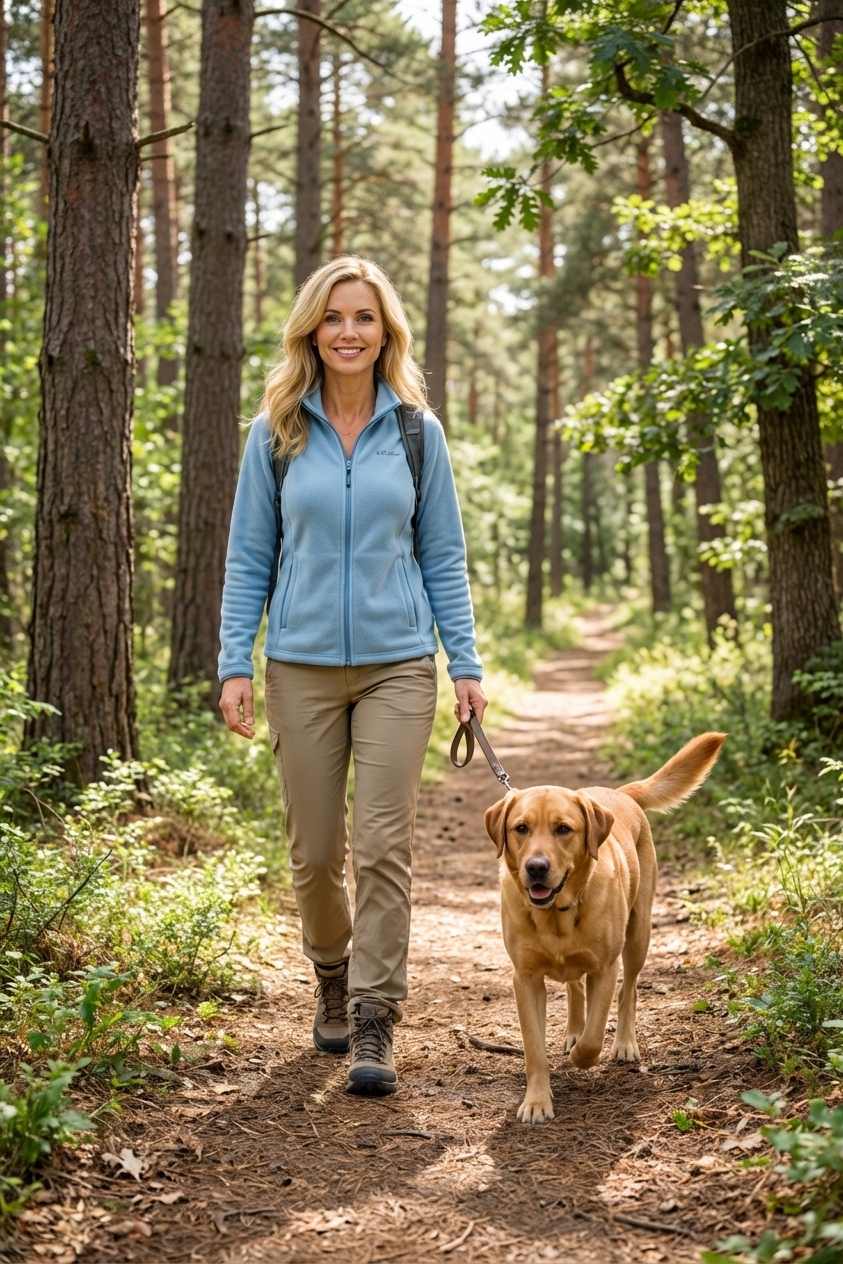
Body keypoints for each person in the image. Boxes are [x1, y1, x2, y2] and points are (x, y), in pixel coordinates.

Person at [218, 256, 486, 1097]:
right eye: (333, 317)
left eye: (363, 317)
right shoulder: (274, 432)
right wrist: (236, 662)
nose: (347, 331)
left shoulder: (415, 432)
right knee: (313, 853)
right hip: (297, 665)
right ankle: (330, 971)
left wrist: (465, 663)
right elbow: (248, 557)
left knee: (380, 845)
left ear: (385, 332)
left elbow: (442, 554)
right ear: (311, 329)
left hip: (399, 665)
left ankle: (374, 1015)